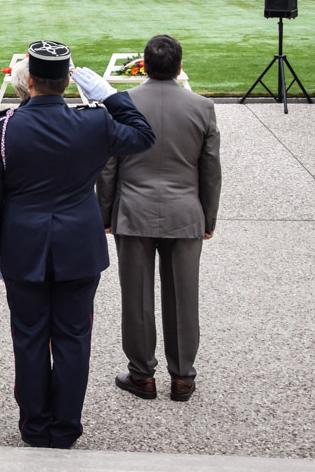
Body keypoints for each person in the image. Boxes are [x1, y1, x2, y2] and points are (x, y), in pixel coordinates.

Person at [0, 41, 154, 450]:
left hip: (23, 246)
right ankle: (65, 428)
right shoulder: (94, 123)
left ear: (31, 81)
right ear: (67, 81)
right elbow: (143, 136)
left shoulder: (2, 128)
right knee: (74, 339)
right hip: (78, 245)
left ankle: (36, 426)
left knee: (29, 338)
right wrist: (110, 96)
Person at [97, 34, 221, 404]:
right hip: (185, 212)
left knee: (136, 297)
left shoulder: (124, 104)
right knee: (184, 296)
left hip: (134, 211)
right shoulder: (202, 107)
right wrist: (208, 217)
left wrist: (104, 213)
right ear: (180, 67)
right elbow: (210, 169)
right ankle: (182, 376)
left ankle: (142, 374)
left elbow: (108, 167)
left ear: (144, 67)